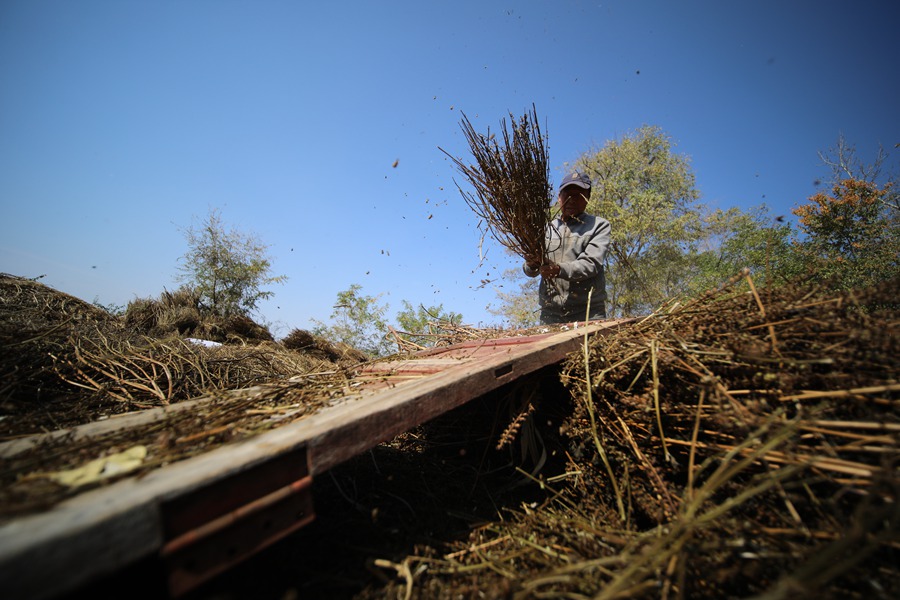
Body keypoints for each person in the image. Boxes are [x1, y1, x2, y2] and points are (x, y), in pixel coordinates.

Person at [523, 172, 611, 324]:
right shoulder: (545, 229)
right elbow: (530, 271)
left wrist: (558, 270)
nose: (572, 199)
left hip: (588, 312)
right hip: (551, 313)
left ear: (588, 198)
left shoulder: (598, 225)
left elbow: (590, 264)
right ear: (559, 197)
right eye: (567, 194)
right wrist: (531, 264)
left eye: (579, 195)